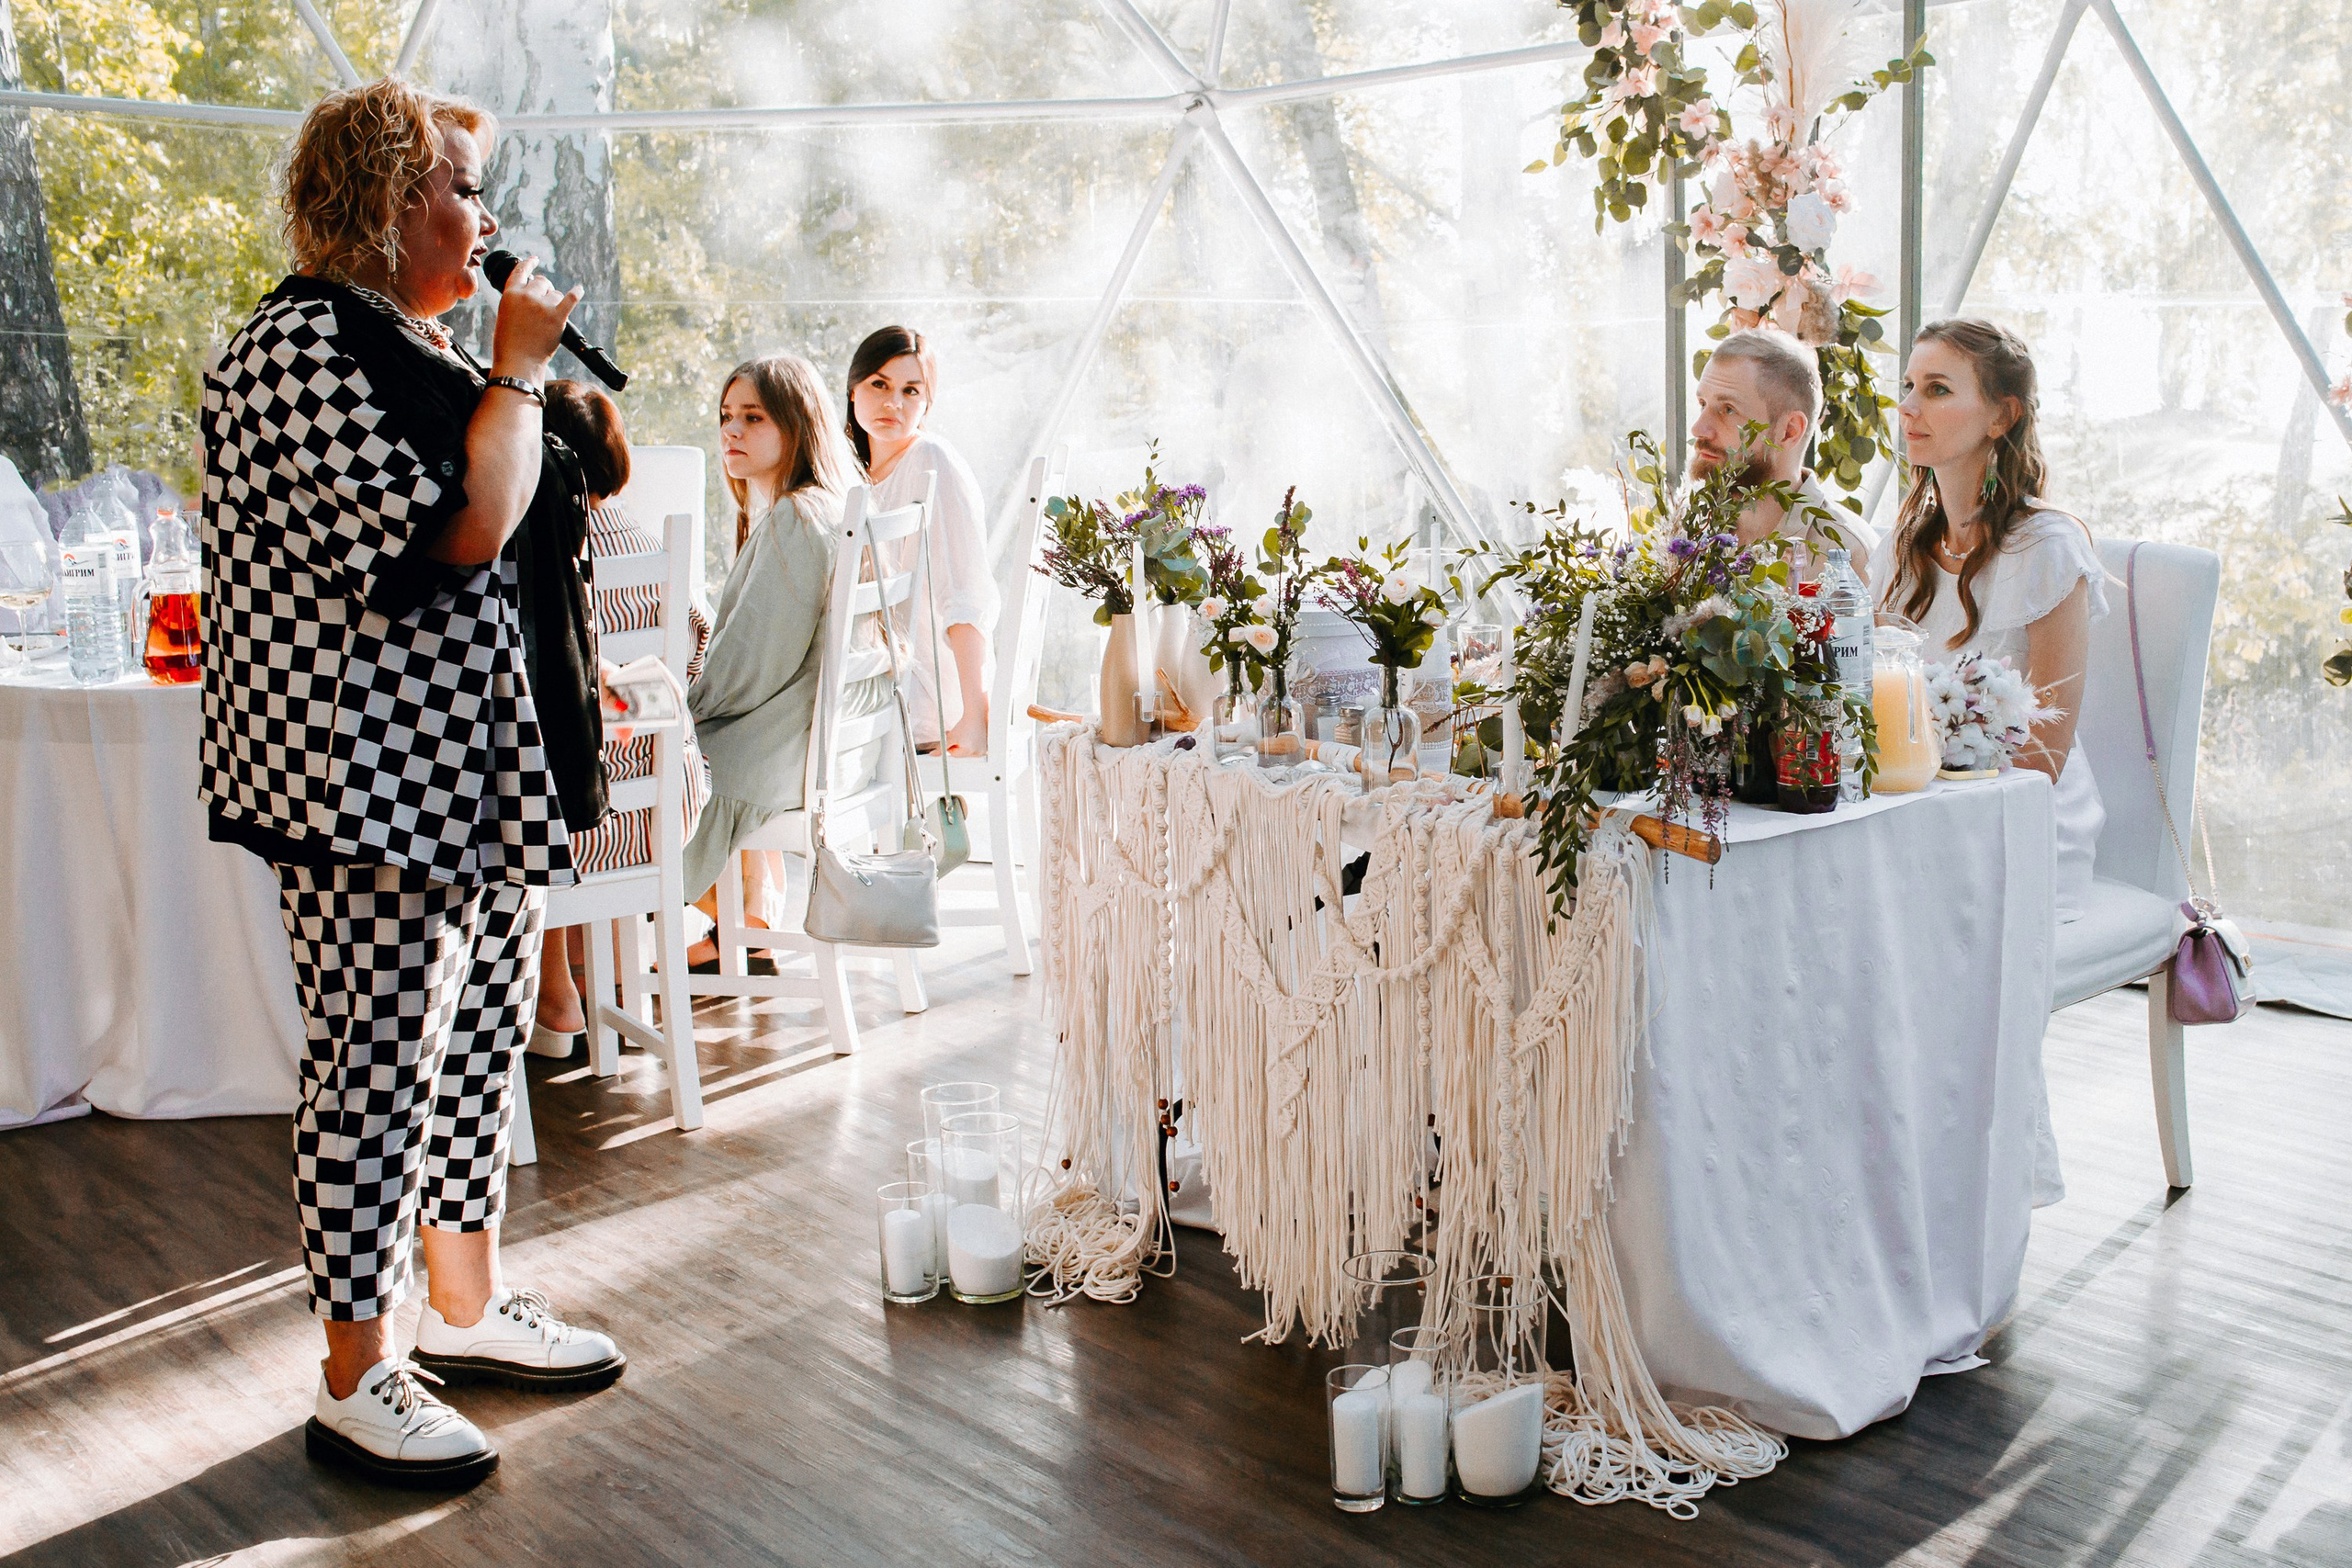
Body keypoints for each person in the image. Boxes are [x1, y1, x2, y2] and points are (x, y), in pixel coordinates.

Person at [201, 79, 624, 1489]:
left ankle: (462, 1305)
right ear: (385, 209)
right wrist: (513, 368)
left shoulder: (405, 343)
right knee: (377, 1069)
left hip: (472, 772)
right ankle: (353, 1366)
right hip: (362, 781)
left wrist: (515, 380)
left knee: (473, 1050)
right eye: (454, 184)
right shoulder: (298, 347)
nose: (482, 212)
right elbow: (459, 528)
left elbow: (534, 507)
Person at [1879, 318, 2106, 921]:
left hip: (2022, 826)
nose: (1908, 406)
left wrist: (1935, 817)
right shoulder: (1902, 547)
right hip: (1914, 810)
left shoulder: (2048, 548)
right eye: (1908, 386)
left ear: (2001, 416)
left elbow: (2046, 751)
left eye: (1937, 389)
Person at [682, 354, 895, 965]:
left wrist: (679, 701)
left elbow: (747, 671)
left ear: (794, 428)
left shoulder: (794, 520)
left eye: (753, 418)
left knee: (646, 759)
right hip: (829, 754)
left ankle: (600, 974)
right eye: (726, 416)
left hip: (786, 762)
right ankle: (737, 925)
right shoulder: (831, 505)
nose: (731, 431)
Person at [529, 379, 713, 1045]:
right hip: (666, 809)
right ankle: (587, 975)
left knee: (533, 791)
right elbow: (690, 664)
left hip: (587, 824)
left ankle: (554, 994)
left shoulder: (546, 554)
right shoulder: (650, 551)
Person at [845, 325, 999, 754]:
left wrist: (974, 714)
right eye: (879, 384)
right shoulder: (852, 479)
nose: (893, 402)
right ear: (853, 390)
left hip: (928, 701)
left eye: (911, 391)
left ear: (927, 402)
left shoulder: (931, 461)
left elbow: (965, 591)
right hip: (880, 686)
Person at [1688, 326, 1878, 583]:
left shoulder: (1850, 557)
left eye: (1728, 410)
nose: (1699, 428)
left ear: (1789, 431)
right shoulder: (1688, 533)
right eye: (1703, 404)